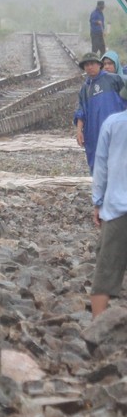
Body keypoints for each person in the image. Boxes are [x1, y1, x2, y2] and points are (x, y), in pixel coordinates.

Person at [89, 110, 127, 318]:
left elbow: (100, 166)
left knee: (106, 272)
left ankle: (96, 333)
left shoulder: (112, 123)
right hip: (116, 207)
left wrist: (98, 202)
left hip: (116, 209)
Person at [73, 52, 126, 174]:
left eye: (92, 64)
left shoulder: (113, 79)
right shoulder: (85, 89)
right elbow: (81, 111)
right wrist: (79, 131)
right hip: (94, 133)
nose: (89, 67)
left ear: (99, 65)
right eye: (86, 65)